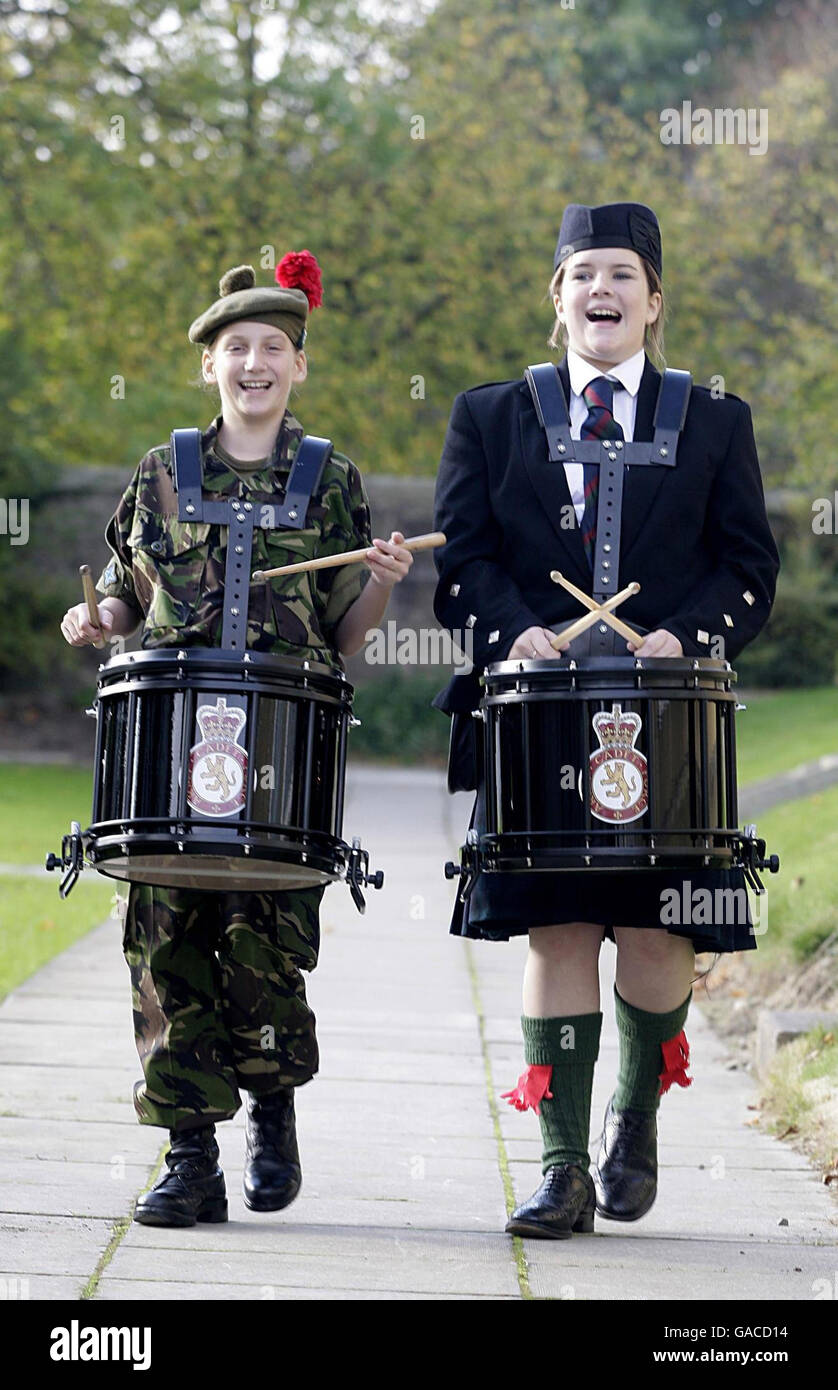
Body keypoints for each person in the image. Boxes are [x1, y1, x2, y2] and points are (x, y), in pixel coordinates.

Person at [433, 203, 780, 1239]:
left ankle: (633, 1118)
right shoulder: (493, 416)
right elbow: (466, 565)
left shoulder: (714, 419)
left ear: (653, 300)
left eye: (621, 274)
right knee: (559, 925)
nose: (602, 290)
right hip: (538, 716)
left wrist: (684, 635)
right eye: (583, 271)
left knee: (661, 924)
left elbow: (748, 569)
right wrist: (513, 632)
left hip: (666, 717)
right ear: (556, 297)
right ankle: (558, 1167)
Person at [60, 251, 414, 1226]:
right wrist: (94, 622)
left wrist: (381, 579)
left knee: (265, 945)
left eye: (272, 347)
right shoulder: (159, 472)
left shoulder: (329, 477)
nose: (253, 361)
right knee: (165, 943)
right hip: (170, 755)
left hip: (276, 762)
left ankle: (272, 1107)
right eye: (235, 347)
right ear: (207, 364)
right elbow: (127, 603)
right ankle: (187, 1155)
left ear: (298, 365)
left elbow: (344, 637)